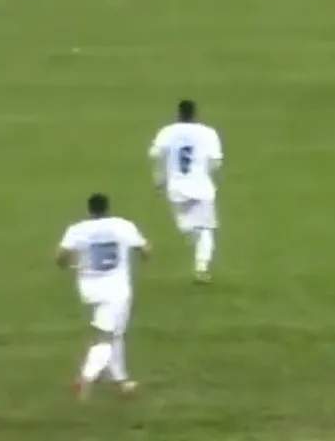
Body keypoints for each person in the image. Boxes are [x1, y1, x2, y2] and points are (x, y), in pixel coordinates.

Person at [56, 193, 149, 400]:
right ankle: (86, 378)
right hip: (116, 290)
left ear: (89, 211)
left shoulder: (77, 229)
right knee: (109, 336)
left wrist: (68, 264)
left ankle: (121, 381)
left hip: (89, 290)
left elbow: (60, 256)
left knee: (113, 333)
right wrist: (143, 256)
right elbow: (145, 250)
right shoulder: (122, 225)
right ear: (108, 208)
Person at [148, 99, 225, 284]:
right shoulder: (208, 132)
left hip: (176, 188)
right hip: (201, 187)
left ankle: (200, 264)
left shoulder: (167, 131)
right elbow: (216, 162)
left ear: (178, 114)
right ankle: (201, 266)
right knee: (205, 230)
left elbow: (156, 155)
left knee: (190, 229)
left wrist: (159, 178)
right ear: (195, 113)